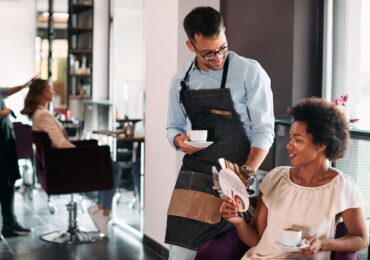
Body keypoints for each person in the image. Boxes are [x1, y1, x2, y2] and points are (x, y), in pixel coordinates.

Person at [165, 6, 275, 259]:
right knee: (179, 254)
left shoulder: (249, 72)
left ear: (225, 32)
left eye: (222, 48)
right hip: (195, 174)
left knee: (223, 252)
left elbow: (264, 130)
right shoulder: (181, 80)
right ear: (190, 46)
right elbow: (173, 126)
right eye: (208, 53)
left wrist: (245, 173)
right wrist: (179, 140)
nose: (217, 57)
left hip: (237, 174)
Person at [219, 97, 369, 259]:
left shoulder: (341, 186)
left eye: (298, 140)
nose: (289, 145)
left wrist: (323, 244)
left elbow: (361, 239)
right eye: (291, 138)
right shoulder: (276, 177)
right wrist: (238, 221)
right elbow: (257, 240)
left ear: (321, 145)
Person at [21, 79, 120, 236]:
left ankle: (100, 208)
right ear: (42, 92)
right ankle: (103, 211)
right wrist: (85, 156)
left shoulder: (38, 114)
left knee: (110, 165)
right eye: (50, 89)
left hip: (60, 163)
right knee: (113, 166)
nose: (53, 91)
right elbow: (60, 143)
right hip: (64, 166)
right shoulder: (43, 115)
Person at [0, 76, 36, 238]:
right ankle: (9, 224)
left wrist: (24, 85)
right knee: (4, 183)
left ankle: (10, 223)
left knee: (9, 182)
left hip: (6, 141)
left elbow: (7, 91)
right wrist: (4, 112)